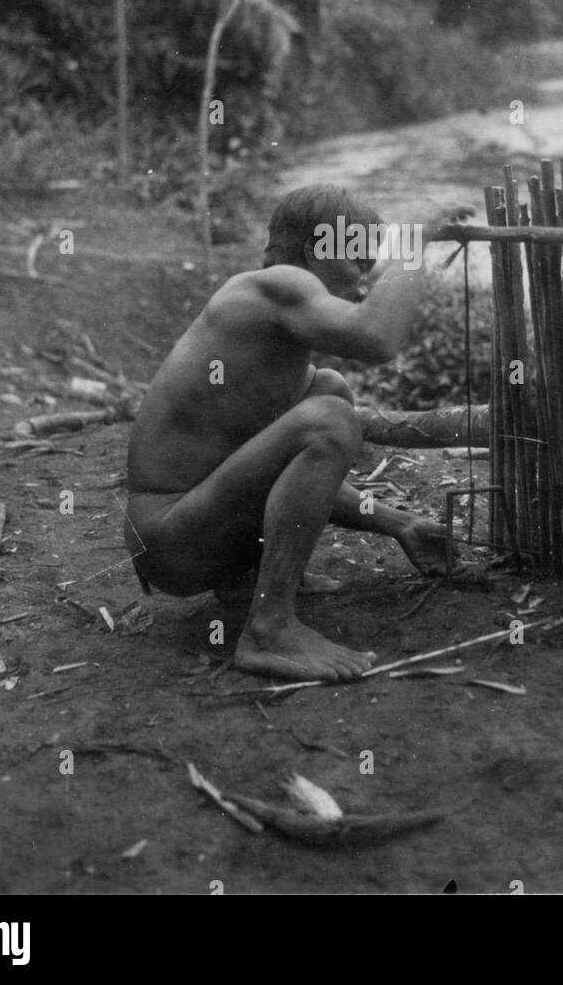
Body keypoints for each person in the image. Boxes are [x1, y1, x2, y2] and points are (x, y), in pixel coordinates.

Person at [124, 184, 463, 682]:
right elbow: (376, 337)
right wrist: (417, 238)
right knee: (329, 418)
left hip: (200, 534)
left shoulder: (273, 319)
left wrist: (399, 524)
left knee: (328, 389)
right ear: (315, 250)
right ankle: (269, 629)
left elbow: (288, 468)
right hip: (171, 537)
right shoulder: (274, 285)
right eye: (359, 264)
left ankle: (246, 582)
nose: (365, 285)